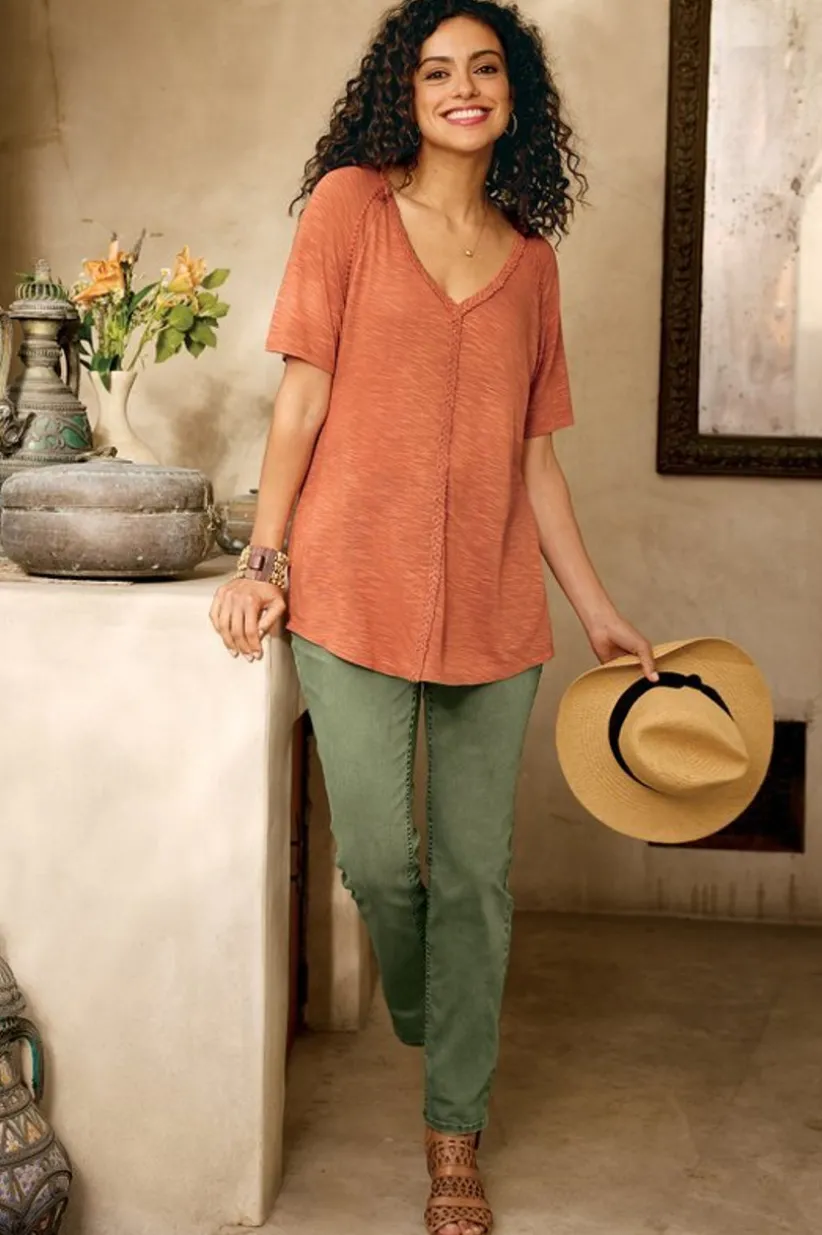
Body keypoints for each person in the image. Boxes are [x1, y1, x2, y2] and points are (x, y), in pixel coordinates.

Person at [210, 2, 656, 1231]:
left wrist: (599, 610)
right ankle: (428, 1001)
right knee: (378, 859)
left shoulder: (533, 263)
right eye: (437, 71)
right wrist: (263, 557)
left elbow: (536, 462)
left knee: (476, 879)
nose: (464, 88)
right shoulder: (349, 209)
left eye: (485, 69)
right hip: (350, 590)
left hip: (496, 611)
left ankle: (455, 1135)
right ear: (403, 96)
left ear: (515, 98)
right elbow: (301, 404)